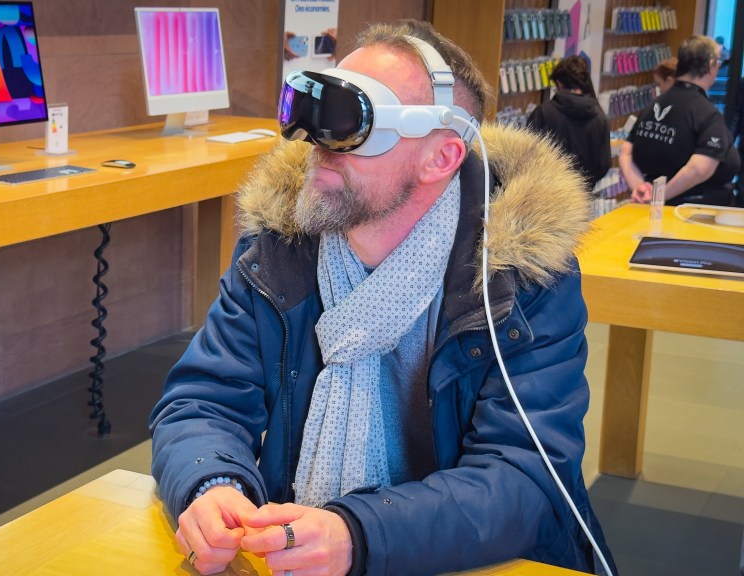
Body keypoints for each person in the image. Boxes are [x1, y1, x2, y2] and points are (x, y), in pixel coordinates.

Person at [150, 19, 616, 576]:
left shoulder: (520, 282)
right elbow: (203, 401)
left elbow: (524, 478)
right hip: (294, 552)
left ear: (440, 158)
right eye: (313, 111)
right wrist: (210, 482)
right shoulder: (278, 251)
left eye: (351, 120)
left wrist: (358, 534)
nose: (317, 143)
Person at [619, 35, 740, 206]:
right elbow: (700, 168)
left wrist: (640, 188)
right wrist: (658, 196)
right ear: (711, 65)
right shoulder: (707, 113)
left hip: (653, 203)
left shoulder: (654, 105)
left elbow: (626, 151)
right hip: (688, 211)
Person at [526, 55, 611, 188]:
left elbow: (528, 154)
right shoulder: (599, 116)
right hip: (583, 193)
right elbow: (603, 163)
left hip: (548, 190)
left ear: (559, 83)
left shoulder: (544, 112)